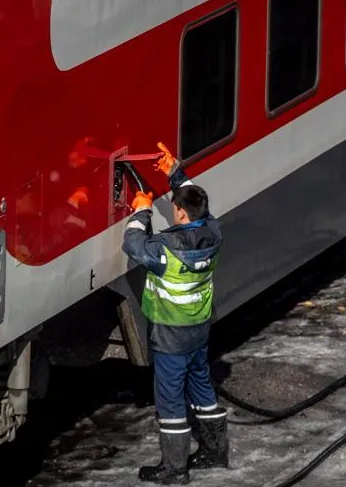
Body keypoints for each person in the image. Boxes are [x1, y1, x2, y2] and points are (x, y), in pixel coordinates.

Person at [122, 143, 229, 485]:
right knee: (201, 387)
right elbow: (198, 203)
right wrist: (175, 173)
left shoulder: (167, 250)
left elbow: (134, 245)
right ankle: (215, 452)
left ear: (180, 214)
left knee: (170, 403)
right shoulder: (213, 232)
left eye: (175, 208)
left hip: (170, 336)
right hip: (198, 329)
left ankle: (174, 470)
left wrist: (141, 211)